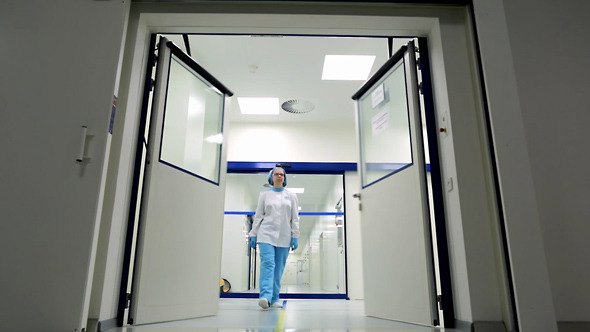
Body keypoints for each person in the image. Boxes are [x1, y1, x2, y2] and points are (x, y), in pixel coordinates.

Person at [249, 167, 300, 309]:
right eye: (276, 174)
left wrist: (295, 236)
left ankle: (275, 297)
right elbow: (258, 215)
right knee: (268, 264)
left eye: (281, 174)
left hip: (284, 236)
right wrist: (253, 234)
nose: (279, 176)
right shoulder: (264, 195)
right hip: (266, 234)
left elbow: (295, 218)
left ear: (285, 178)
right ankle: (265, 296)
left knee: (278, 268)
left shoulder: (291, 196)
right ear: (271, 177)